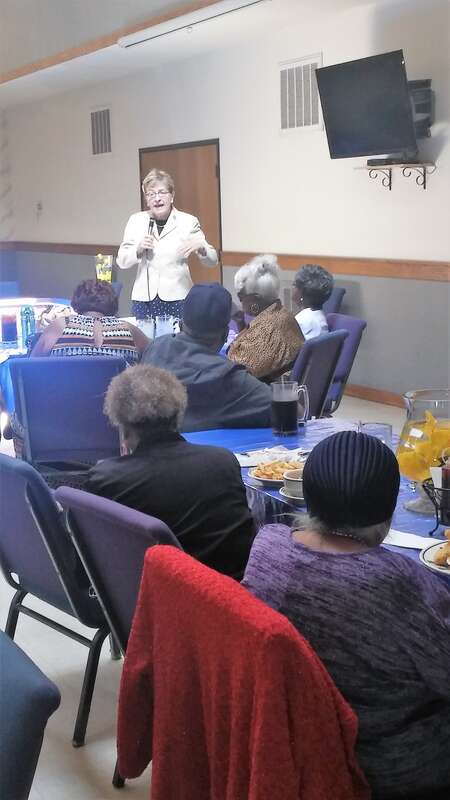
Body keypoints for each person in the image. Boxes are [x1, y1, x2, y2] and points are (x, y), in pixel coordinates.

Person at [242, 430, 450, 800]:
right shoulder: (398, 581)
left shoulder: (268, 544)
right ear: (389, 507)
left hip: (291, 741)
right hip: (389, 762)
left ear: (306, 494)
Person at [86, 364, 255, 580]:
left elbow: (91, 564)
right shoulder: (223, 461)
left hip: (155, 603)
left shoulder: (105, 479)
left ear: (123, 426)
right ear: (177, 415)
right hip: (231, 600)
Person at [142, 282, 272, 431]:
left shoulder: (154, 349)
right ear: (224, 335)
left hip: (153, 453)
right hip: (213, 453)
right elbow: (292, 410)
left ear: (179, 325)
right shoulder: (231, 377)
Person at [116, 168, 218, 320]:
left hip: (178, 297)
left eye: (162, 192)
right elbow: (122, 261)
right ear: (146, 199)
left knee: (176, 342)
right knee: (146, 342)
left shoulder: (188, 221)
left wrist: (202, 248)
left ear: (172, 196)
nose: (157, 198)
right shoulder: (136, 220)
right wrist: (137, 250)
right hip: (144, 299)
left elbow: (213, 260)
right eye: (151, 194)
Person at [30, 279, 148, 361]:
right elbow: (156, 354)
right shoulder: (128, 329)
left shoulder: (61, 325)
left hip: (65, 396)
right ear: (113, 304)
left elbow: (30, 367)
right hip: (116, 396)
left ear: (76, 303)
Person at [227, 254, 303, 381]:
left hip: (265, 394)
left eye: (241, 297)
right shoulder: (281, 313)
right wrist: (241, 325)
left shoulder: (268, 329)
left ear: (255, 300)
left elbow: (237, 370)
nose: (240, 302)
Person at [292, 263, 334, 340]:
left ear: (301, 293)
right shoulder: (320, 317)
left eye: (294, 284)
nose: (292, 287)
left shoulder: (300, 322)